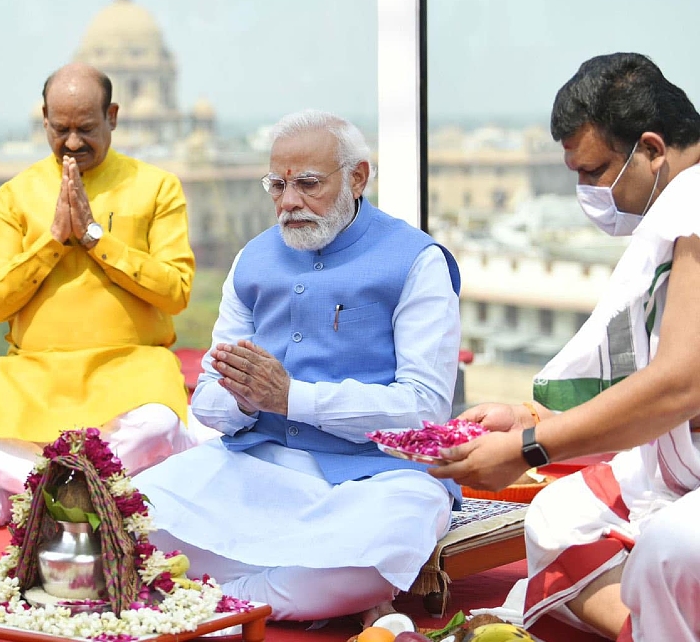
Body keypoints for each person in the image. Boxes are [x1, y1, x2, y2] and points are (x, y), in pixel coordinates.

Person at [133, 109, 463, 623]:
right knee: (127, 514)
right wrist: (244, 398)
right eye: (277, 185)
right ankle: (276, 593)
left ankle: (226, 598)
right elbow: (210, 400)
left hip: (375, 477)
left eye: (308, 184)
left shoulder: (416, 261)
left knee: (386, 546)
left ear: (358, 178)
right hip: (257, 463)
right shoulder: (254, 260)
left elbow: (425, 410)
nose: (288, 202)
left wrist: (294, 399)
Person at [431, 53, 700, 642]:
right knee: (557, 518)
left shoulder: (696, 206)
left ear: (652, 149)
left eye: (596, 171)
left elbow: (682, 384)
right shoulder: (677, 214)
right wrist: (529, 418)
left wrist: (528, 448)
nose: (587, 191)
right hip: (680, 464)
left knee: (666, 555)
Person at [0, 63, 198, 528]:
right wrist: (52, 241)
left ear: (112, 116)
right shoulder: (18, 193)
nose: (72, 142)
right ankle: (55, 490)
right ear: (45, 121)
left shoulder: (156, 187)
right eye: (61, 129)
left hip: (129, 365)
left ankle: (22, 488)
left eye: (86, 129)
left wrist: (97, 239)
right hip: (36, 370)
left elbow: (175, 292)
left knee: (160, 423)